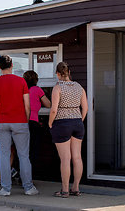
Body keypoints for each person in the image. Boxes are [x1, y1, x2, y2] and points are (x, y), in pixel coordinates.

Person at [0, 55, 39, 196]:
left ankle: (5, 189)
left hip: (3, 122)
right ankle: (28, 188)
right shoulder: (21, 81)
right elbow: (27, 105)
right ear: (12, 66)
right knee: (24, 156)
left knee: (4, 155)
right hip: (20, 122)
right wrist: (26, 120)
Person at [48, 62, 88, 198]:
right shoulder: (79, 87)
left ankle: (65, 190)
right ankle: (76, 188)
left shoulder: (57, 88)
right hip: (77, 122)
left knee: (65, 158)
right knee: (77, 157)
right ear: (69, 72)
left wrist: (49, 123)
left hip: (62, 123)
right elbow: (86, 108)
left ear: (58, 74)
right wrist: (79, 120)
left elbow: (54, 109)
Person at [23, 70, 51, 163]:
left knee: (23, 150)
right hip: (33, 123)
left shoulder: (22, 90)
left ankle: (20, 172)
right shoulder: (37, 89)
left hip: (21, 123)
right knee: (33, 150)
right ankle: (29, 173)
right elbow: (48, 104)